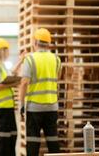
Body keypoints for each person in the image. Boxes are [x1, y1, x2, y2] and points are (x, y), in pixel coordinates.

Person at [19, 28, 61, 156]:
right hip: (52, 106)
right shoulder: (56, 59)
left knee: (33, 142)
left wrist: (21, 105)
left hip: (34, 108)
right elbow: (56, 81)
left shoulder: (30, 59)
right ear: (48, 44)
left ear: (35, 42)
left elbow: (24, 83)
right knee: (53, 141)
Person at [0, 38, 26, 156]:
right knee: (3, 137)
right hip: (2, 107)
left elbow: (11, 74)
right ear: (2, 51)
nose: (8, 52)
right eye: (7, 50)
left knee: (11, 134)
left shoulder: (1, 66)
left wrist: (20, 61)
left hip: (7, 107)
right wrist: (15, 83)